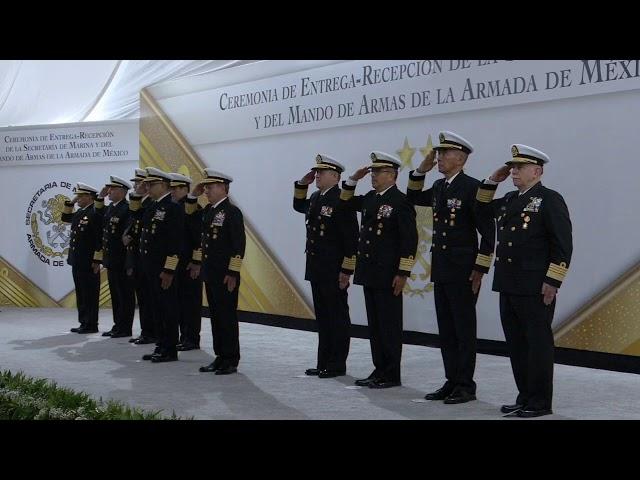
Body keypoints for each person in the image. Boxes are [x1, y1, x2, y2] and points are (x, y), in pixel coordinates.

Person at [475, 144, 573, 418]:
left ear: (537, 171)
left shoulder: (549, 199)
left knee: (537, 344)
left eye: (520, 168)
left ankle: (540, 402)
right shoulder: (508, 199)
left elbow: (562, 244)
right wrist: (492, 181)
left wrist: (553, 280)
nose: (514, 172)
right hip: (508, 283)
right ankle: (525, 396)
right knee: (517, 344)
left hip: (535, 286)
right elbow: (479, 211)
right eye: (513, 167)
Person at [406, 131, 495, 404]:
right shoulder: (440, 187)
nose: (439, 158)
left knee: (463, 329)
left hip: (464, 270)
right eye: (439, 153)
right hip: (442, 267)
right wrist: (421, 170)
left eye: (444, 153)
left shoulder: (472, 188)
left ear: (461, 157)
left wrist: (480, 269)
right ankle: (452, 379)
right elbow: (412, 197)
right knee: (446, 328)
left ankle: (466, 384)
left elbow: (488, 233)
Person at [340, 152, 418, 388]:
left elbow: (409, 240)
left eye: (378, 172)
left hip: (389, 273)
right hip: (370, 271)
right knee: (375, 325)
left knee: (389, 325)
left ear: (392, 175)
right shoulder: (371, 199)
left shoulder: (400, 201)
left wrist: (403, 273)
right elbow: (344, 201)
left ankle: (392, 373)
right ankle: (379, 368)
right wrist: (353, 179)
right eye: (372, 172)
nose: (373, 176)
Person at [293, 154, 358, 378]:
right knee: (323, 317)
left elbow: (351, 239)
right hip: (316, 266)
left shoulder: (342, 199)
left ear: (335, 176)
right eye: (316, 172)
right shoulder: (315, 197)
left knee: (337, 317)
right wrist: (302, 183)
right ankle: (323, 362)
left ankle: (337, 364)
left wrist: (347, 270)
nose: (317, 175)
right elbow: (298, 206)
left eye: (322, 172)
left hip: (333, 268)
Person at [189, 169, 246, 375]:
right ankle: (220, 356)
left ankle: (231, 358)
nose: (206, 191)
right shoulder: (208, 211)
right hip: (211, 273)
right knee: (216, 316)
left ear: (223, 188)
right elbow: (188, 214)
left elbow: (239, 246)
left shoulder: (232, 212)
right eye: (205, 187)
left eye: (210, 187)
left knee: (227, 316)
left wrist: (233, 273)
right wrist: (192, 195)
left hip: (225, 275)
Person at [138, 167, 184, 363]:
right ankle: (161, 344)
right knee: (156, 307)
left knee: (167, 308)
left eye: (152, 184)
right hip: (150, 267)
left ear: (164, 185)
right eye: (147, 183)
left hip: (163, 269)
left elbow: (175, 243)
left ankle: (169, 348)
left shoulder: (172, 208)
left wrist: (169, 269)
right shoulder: (152, 207)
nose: (147, 187)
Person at [94, 176, 135, 338]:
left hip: (122, 259)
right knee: (116, 295)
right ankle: (117, 325)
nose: (109, 192)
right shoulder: (111, 207)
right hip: (111, 259)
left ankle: (125, 327)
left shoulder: (127, 208)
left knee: (125, 295)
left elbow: (127, 236)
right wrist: (100, 197)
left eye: (112, 189)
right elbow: (97, 215)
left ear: (122, 191)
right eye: (108, 189)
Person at [61, 183, 102, 334]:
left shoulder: (95, 213)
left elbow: (99, 240)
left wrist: (97, 261)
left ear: (89, 197)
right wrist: (70, 203)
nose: (78, 198)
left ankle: (91, 323)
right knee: (81, 292)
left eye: (80, 196)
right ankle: (83, 321)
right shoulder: (80, 213)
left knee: (90, 293)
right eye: (77, 195)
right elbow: (65, 217)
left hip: (89, 261)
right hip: (77, 260)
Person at [170, 172, 203, 351]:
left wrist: (197, 262)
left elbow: (199, 238)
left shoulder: (193, 208)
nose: (172, 192)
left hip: (190, 264)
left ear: (185, 188)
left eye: (176, 188)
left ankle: (191, 338)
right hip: (178, 262)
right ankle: (184, 336)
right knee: (180, 302)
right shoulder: (175, 208)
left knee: (191, 303)